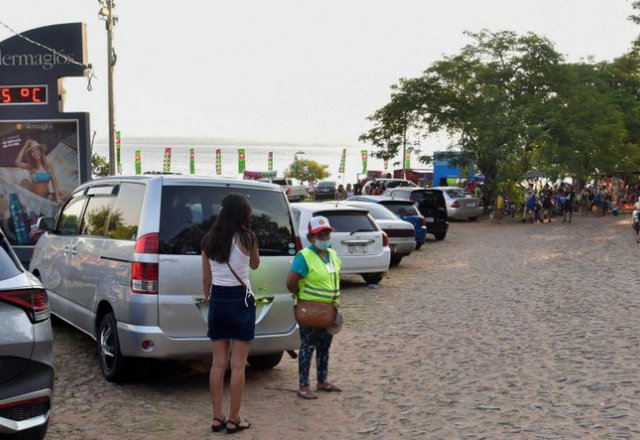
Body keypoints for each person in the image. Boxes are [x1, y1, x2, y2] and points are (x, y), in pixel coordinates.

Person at [201, 193, 260, 434]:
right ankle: (235, 419)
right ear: (243, 213)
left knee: (217, 364)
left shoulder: (208, 239)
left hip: (218, 299)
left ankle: (217, 417)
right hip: (241, 300)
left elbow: (206, 278)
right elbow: (255, 264)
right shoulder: (248, 238)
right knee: (238, 365)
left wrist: (209, 300)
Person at [286, 216, 342, 400]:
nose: (324, 238)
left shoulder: (332, 254)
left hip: (329, 310)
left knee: (324, 346)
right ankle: (303, 385)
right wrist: (301, 298)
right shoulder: (304, 256)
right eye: (320, 235)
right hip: (309, 311)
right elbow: (291, 282)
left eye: (327, 233)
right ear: (310, 237)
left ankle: (322, 380)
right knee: (308, 347)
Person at [14, 139, 63, 204]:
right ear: (31, 154)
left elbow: (54, 183)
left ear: (40, 150)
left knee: (65, 194)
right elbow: (17, 162)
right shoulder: (30, 166)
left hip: (46, 196)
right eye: (32, 151)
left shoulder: (48, 166)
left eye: (37, 149)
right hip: (35, 199)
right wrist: (25, 146)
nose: (35, 153)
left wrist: (58, 198)